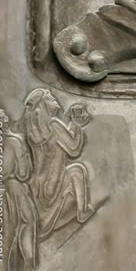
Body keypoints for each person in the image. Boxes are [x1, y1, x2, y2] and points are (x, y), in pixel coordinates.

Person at [23, 89, 94, 240]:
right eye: (49, 97)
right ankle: (82, 212)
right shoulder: (53, 125)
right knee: (77, 170)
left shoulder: (33, 132)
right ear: (43, 104)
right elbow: (74, 149)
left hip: (38, 189)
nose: (54, 98)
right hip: (54, 185)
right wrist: (76, 124)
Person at [0, 105, 38, 270]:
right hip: (16, 191)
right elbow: (24, 174)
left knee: (2, 240)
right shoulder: (15, 141)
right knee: (26, 226)